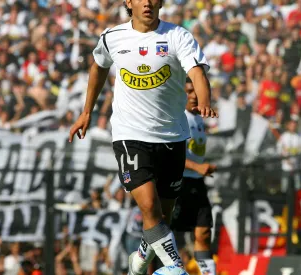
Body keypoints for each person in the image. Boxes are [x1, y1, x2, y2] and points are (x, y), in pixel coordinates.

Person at [68, 0, 217, 273]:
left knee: (162, 218)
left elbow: (196, 71)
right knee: (148, 206)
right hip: (130, 134)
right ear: (128, 2)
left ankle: (140, 257)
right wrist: (86, 111)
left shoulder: (178, 36)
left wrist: (205, 99)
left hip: (171, 135)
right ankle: (174, 266)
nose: (147, 2)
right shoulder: (113, 37)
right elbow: (98, 67)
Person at [170, 78, 217, 275]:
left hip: (197, 183)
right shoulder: (177, 118)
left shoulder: (198, 118)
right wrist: (198, 167)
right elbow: (171, 157)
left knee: (204, 232)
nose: (193, 96)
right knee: (166, 237)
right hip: (177, 184)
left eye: (196, 92)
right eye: (189, 92)